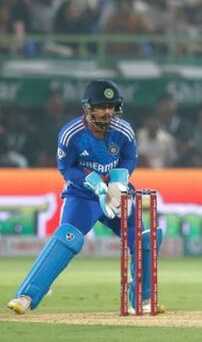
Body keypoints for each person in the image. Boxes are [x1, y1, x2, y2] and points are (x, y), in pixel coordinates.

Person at [6, 80, 164, 315]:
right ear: (89, 107)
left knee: (144, 239)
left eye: (111, 107)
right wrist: (93, 182)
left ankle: (141, 300)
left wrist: (119, 179)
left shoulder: (124, 131)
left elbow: (130, 158)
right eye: (101, 106)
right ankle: (26, 296)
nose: (107, 112)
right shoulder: (71, 133)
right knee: (67, 238)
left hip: (116, 193)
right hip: (83, 195)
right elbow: (66, 167)